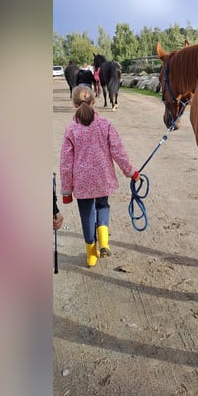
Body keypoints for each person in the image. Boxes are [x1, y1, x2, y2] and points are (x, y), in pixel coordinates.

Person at [59, 86, 138, 266]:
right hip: (103, 178)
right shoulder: (106, 125)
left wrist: (66, 191)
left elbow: (65, 162)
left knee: (86, 214)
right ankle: (104, 242)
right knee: (103, 206)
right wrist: (130, 172)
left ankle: (91, 254)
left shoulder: (71, 129)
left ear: (74, 104)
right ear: (94, 101)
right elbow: (118, 152)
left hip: (82, 181)